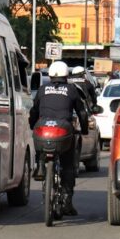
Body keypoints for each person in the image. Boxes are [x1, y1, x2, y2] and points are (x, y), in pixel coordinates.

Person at [29, 61, 88, 216]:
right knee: (68, 165)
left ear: (50, 76)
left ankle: (40, 162)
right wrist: (85, 129)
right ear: (66, 76)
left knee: (40, 142)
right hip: (63, 131)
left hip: (43, 130)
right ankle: (67, 202)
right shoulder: (72, 90)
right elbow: (81, 113)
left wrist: (32, 125)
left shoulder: (42, 90)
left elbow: (34, 111)